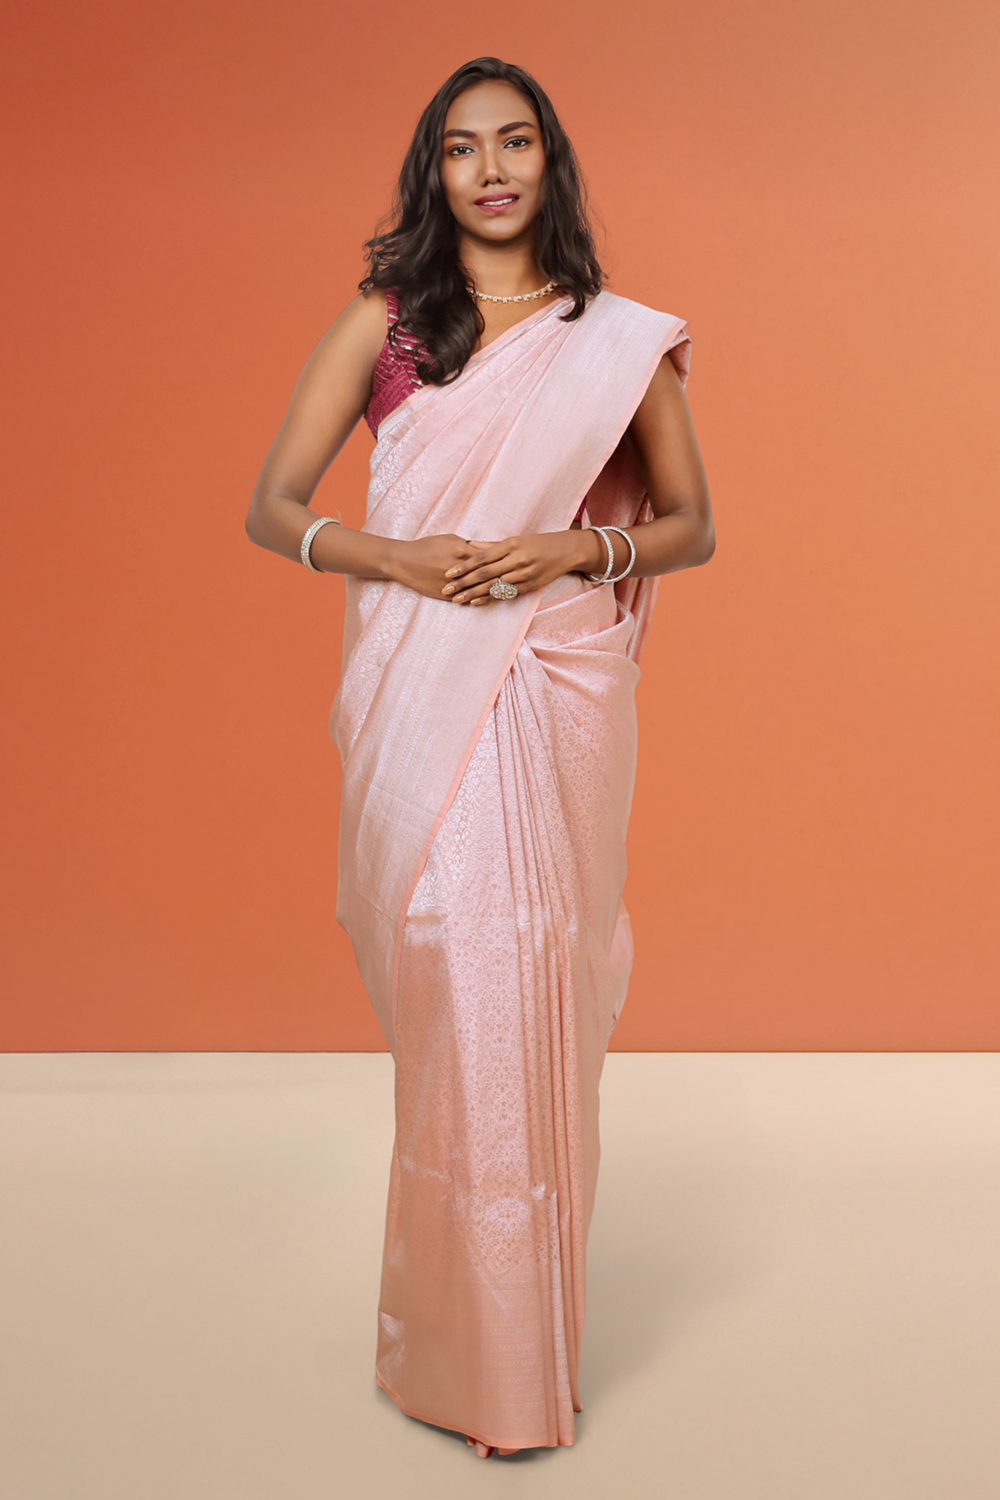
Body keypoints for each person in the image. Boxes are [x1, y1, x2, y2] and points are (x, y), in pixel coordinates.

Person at [245, 55, 714, 1458]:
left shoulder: (613, 339)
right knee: (463, 991)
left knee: (537, 991)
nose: (492, 169)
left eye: (515, 142)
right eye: (462, 148)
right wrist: (390, 555)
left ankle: (521, 1360)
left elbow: (690, 525)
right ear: (434, 172)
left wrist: (576, 547)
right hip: (422, 683)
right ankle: (462, 1347)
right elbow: (272, 504)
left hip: (554, 685)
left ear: (549, 163)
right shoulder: (390, 324)